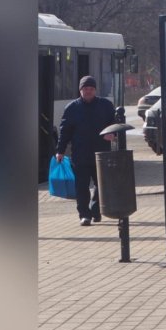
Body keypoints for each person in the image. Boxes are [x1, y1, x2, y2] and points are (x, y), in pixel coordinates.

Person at [56, 76, 116, 226]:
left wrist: (112, 133)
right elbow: (65, 131)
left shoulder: (105, 105)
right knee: (81, 186)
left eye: (91, 89)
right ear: (80, 90)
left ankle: (95, 210)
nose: (88, 91)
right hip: (80, 154)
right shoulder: (72, 108)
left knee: (101, 184)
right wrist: (60, 151)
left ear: (95, 90)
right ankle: (84, 215)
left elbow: (115, 123)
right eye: (85, 89)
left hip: (101, 153)